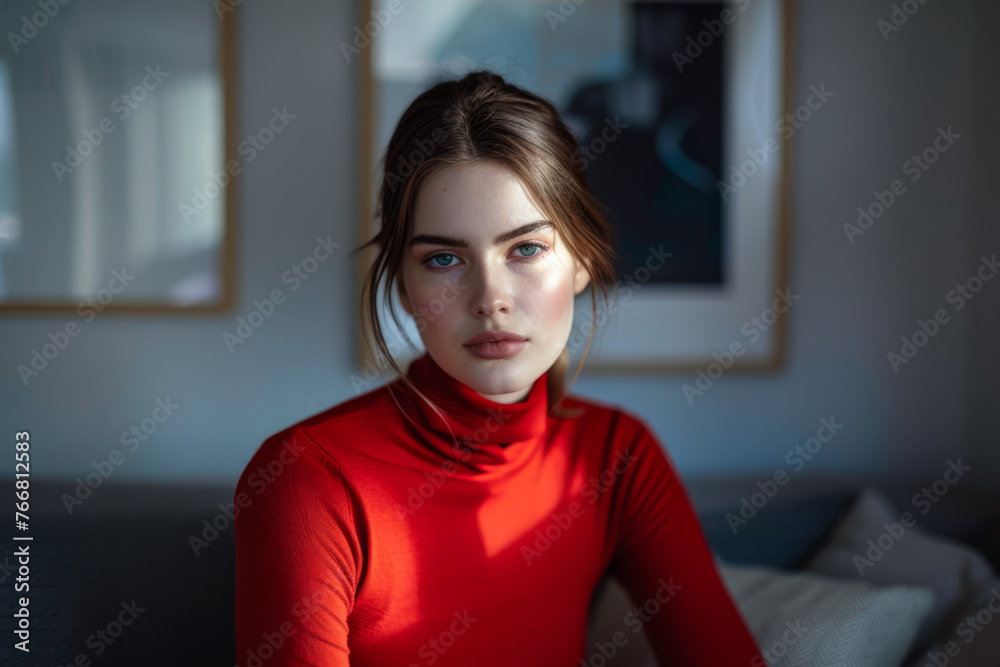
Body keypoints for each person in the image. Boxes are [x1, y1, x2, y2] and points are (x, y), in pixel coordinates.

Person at [234, 70, 763, 666]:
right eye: (442, 258)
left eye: (526, 249)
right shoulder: (310, 479)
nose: (490, 298)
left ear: (583, 259)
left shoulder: (617, 455)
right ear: (404, 287)